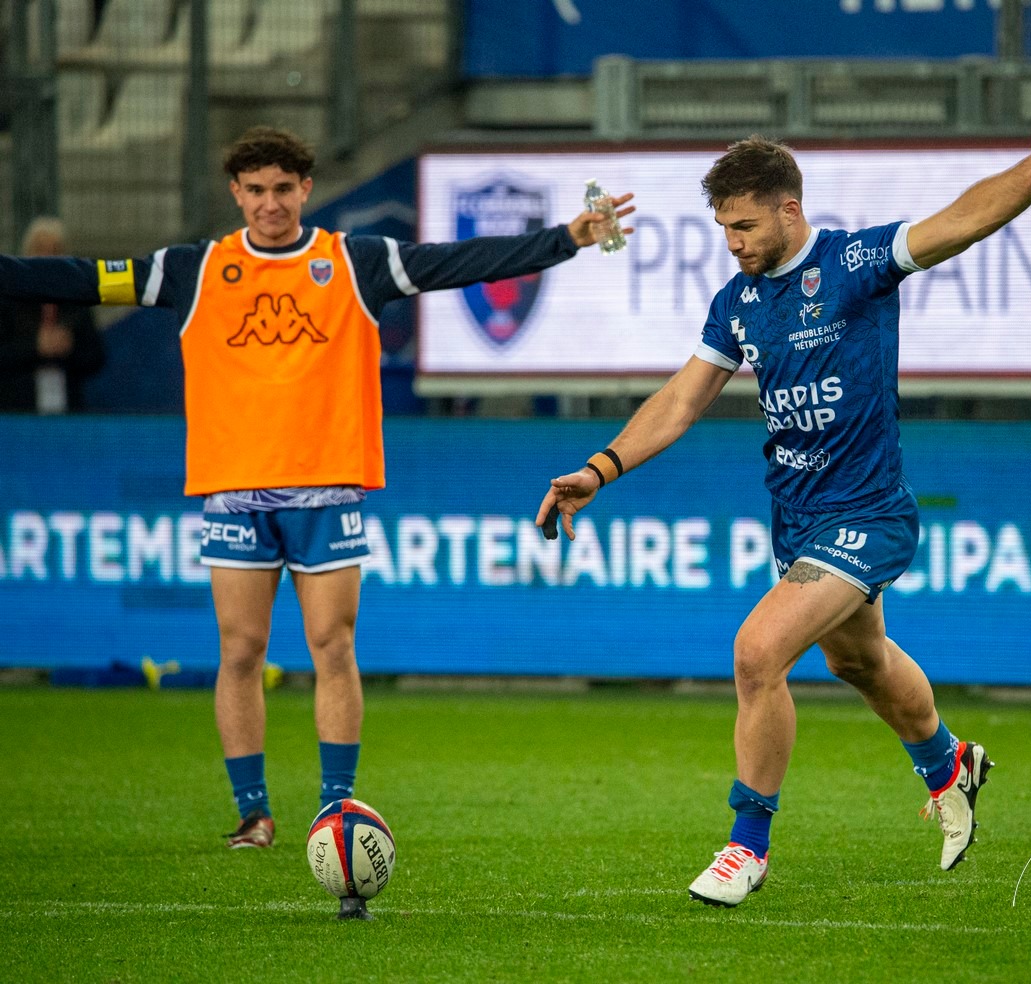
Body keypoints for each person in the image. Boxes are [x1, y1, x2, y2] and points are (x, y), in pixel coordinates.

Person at [0, 127, 634, 896]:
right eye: (256, 189)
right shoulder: (195, 269)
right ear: (236, 193)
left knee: (333, 644)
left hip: (327, 487)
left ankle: (337, 806)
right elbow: (77, 278)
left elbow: (455, 265)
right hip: (234, 488)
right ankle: (252, 813)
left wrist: (566, 237)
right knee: (240, 650)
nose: (270, 202)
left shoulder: (354, 261)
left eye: (284, 187)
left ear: (305, 189)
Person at [537, 108, 1031, 907]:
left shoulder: (855, 261)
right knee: (859, 662)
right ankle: (950, 764)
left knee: (757, 652)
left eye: (744, 225)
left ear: (788, 209)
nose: (734, 242)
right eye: (723, 229)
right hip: (798, 520)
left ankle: (747, 847)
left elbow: (960, 222)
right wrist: (599, 470)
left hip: (869, 514)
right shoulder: (738, 302)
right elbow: (680, 402)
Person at [0, 217, 107, 413]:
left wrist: (68, 347)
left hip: (67, 412)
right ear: (26, 253)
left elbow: (96, 357)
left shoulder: (77, 301)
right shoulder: (8, 299)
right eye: (40, 248)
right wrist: (35, 346)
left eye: (55, 250)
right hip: (16, 414)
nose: (47, 256)